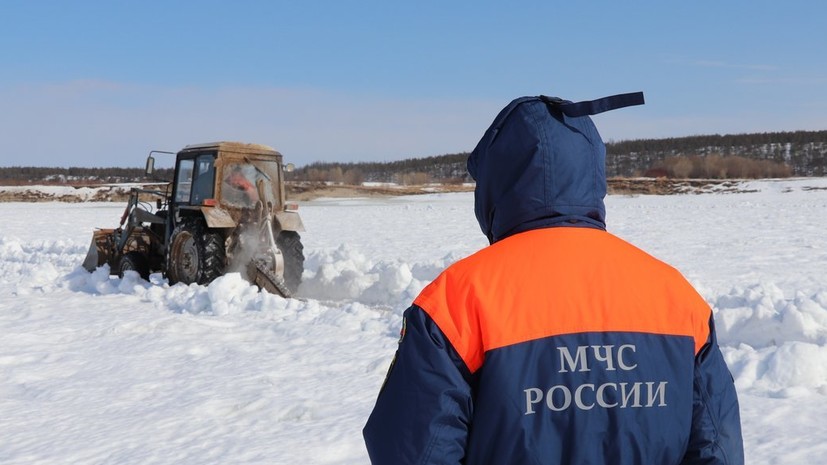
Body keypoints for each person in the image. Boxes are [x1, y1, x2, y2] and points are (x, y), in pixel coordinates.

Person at [363, 93, 744, 465]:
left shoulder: (455, 301)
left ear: (495, 183)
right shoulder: (676, 296)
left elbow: (412, 449)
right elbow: (717, 447)